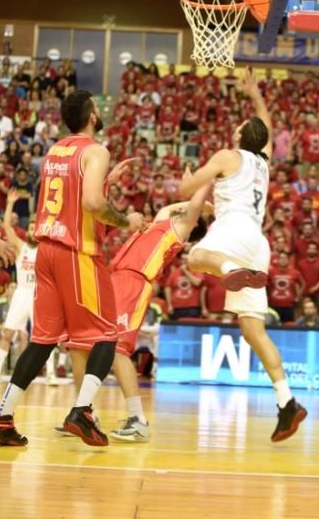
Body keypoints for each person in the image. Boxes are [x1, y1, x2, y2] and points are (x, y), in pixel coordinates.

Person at [0, 90, 144, 447]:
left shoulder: (55, 150)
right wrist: (128, 220)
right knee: (108, 334)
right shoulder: (97, 151)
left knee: (43, 341)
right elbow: (92, 203)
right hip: (77, 254)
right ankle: (81, 411)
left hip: (46, 251)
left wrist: (106, 179)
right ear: (93, 114)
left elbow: (73, 195)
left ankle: (3, 416)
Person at [178, 67, 307, 443]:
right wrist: (256, 96)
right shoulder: (263, 160)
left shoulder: (228, 155)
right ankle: (287, 402)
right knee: (253, 328)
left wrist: (188, 174)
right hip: (257, 241)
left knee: (195, 257)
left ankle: (230, 268)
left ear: (238, 137)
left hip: (233, 232)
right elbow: (264, 123)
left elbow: (187, 186)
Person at [60, 180, 211, 442]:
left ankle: (137, 419)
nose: (174, 211)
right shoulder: (159, 222)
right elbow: (174, 207)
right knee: (79, 346)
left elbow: (194, 207)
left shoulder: (179, 230)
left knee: (117, 348)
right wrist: (197, 200)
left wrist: (202, 181)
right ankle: (84, 413)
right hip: (112, 280)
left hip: (134, 283)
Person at [0, 190, 38, 382]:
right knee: (8, 332)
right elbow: (6, 226)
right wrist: (10, 203)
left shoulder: (47, 250)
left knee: (42, 338)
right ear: (28, 231)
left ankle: (48, 372)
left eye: (36, 229)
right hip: (22, 293)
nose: (33, 232)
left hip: (39, 294)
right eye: (30, 229)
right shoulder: (22, 247)